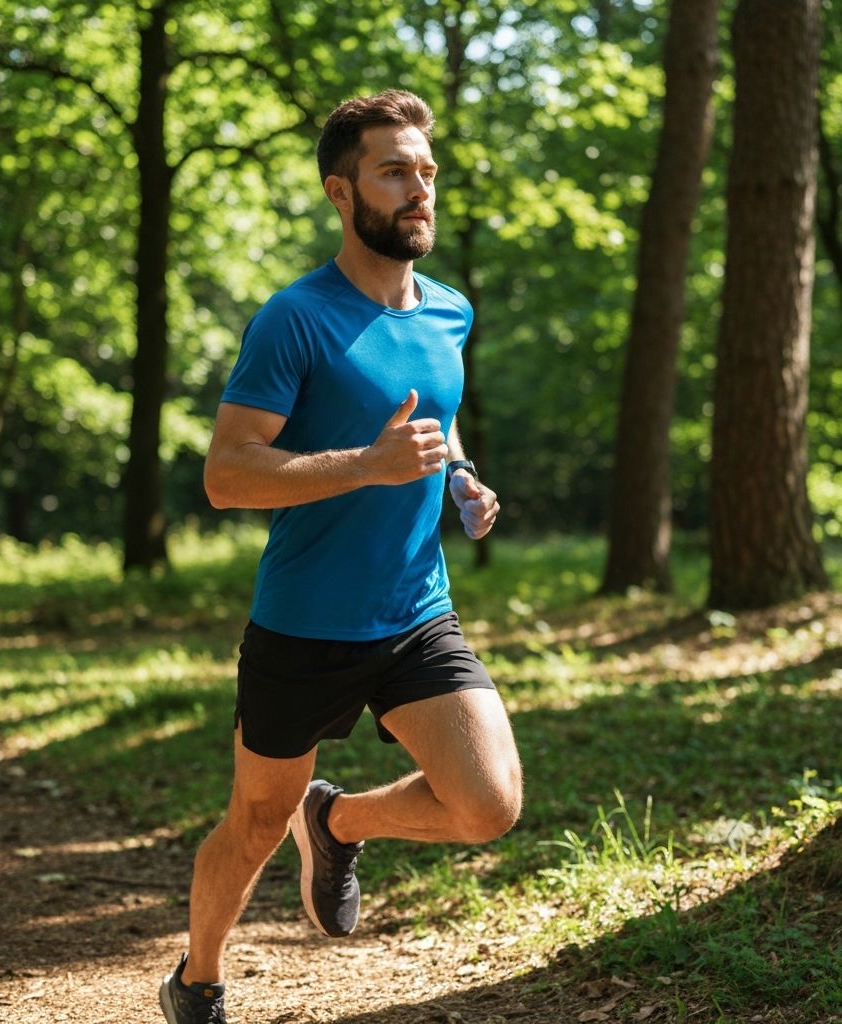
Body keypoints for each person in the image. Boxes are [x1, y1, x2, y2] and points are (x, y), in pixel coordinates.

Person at [158, 89, 523, 1024]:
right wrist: (367, 465)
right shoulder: (295, 319)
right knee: (249, 828)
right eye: (395, 171)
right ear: (341, 190)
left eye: (427, 172)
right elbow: (228, 476)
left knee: (488, 807)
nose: (419, 190)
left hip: (414, 613)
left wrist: (459, 481)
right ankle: (197, 979)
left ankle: (340, 820)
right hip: (302, 627)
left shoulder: (450, 312)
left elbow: (428, 429)